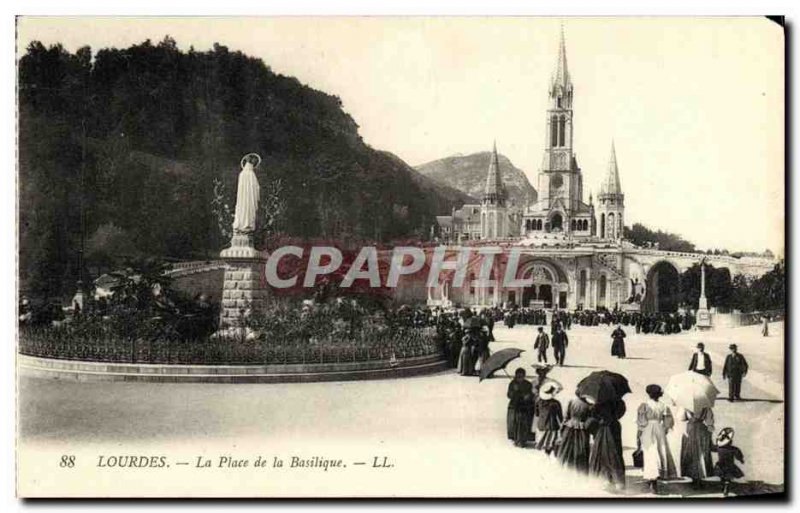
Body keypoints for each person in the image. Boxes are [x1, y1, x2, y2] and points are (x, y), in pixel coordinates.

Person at [636, 385, 678, 494]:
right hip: (659, 430)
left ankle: (651, 480)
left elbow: (641, 423)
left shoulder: (644, 406)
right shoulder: (663, 406)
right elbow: (668, 421)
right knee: (660, 453)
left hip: (647, 430)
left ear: (648, 394)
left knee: (650, 454)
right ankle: (655, 479)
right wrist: (663, 430)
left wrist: (639, 436)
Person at [589, 399, 627, 491]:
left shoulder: (598, 403)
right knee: (615, 452)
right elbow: (621, 412)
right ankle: (617, 481)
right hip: (614, 427)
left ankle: (604, 479)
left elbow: (593, 414)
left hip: (602, 428)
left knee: (602, 452)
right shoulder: (619, 401)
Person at [557, 392, 593, 473]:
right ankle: (580, 471)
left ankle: (566, 468)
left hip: (570, 427)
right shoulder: (589, 405)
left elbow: (566, 416)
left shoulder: (571, 402)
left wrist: (562, 428)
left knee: (567, 449)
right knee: (581, 450)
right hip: (582, 429)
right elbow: (590, 419)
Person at [680, 406, 715, 485]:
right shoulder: (705, 406)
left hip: (690, 429)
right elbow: (709, 420)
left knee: (691, 452)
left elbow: (682, 418)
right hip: (701, 429)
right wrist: (710, 428)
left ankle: (693, 476)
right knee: (701, 452)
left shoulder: (686, 405)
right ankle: (700, 475)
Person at [711, 427, 745, 497]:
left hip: (720, 465)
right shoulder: (734, 449)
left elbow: (711, 448)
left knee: (723, 477)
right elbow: (738, 455)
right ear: (730, 442)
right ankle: (726, 487)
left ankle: (724, 487)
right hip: (730, 466)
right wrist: (741, 460)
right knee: (728, 478)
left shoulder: (718, 448)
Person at [507, 368, 536, 447]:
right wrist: (514, 392)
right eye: (518, 376)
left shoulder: (528, 384)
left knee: (524, 424)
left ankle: (523, 440)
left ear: (524, 376)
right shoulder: (512, 383)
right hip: (515, 406)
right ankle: (515, 439)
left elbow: (531, 394)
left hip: (525, 407)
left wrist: (528, 396)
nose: (520, 378)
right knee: (514, 423)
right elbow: (508, 395)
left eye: (521, 376)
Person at [535, 384, 563, 455]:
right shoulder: (556, 403)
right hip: (551, 425)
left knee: (540, 443)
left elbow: (537, 414)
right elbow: (560, 417)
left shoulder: (538, 401)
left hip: (541, 424)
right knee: (550, 444)